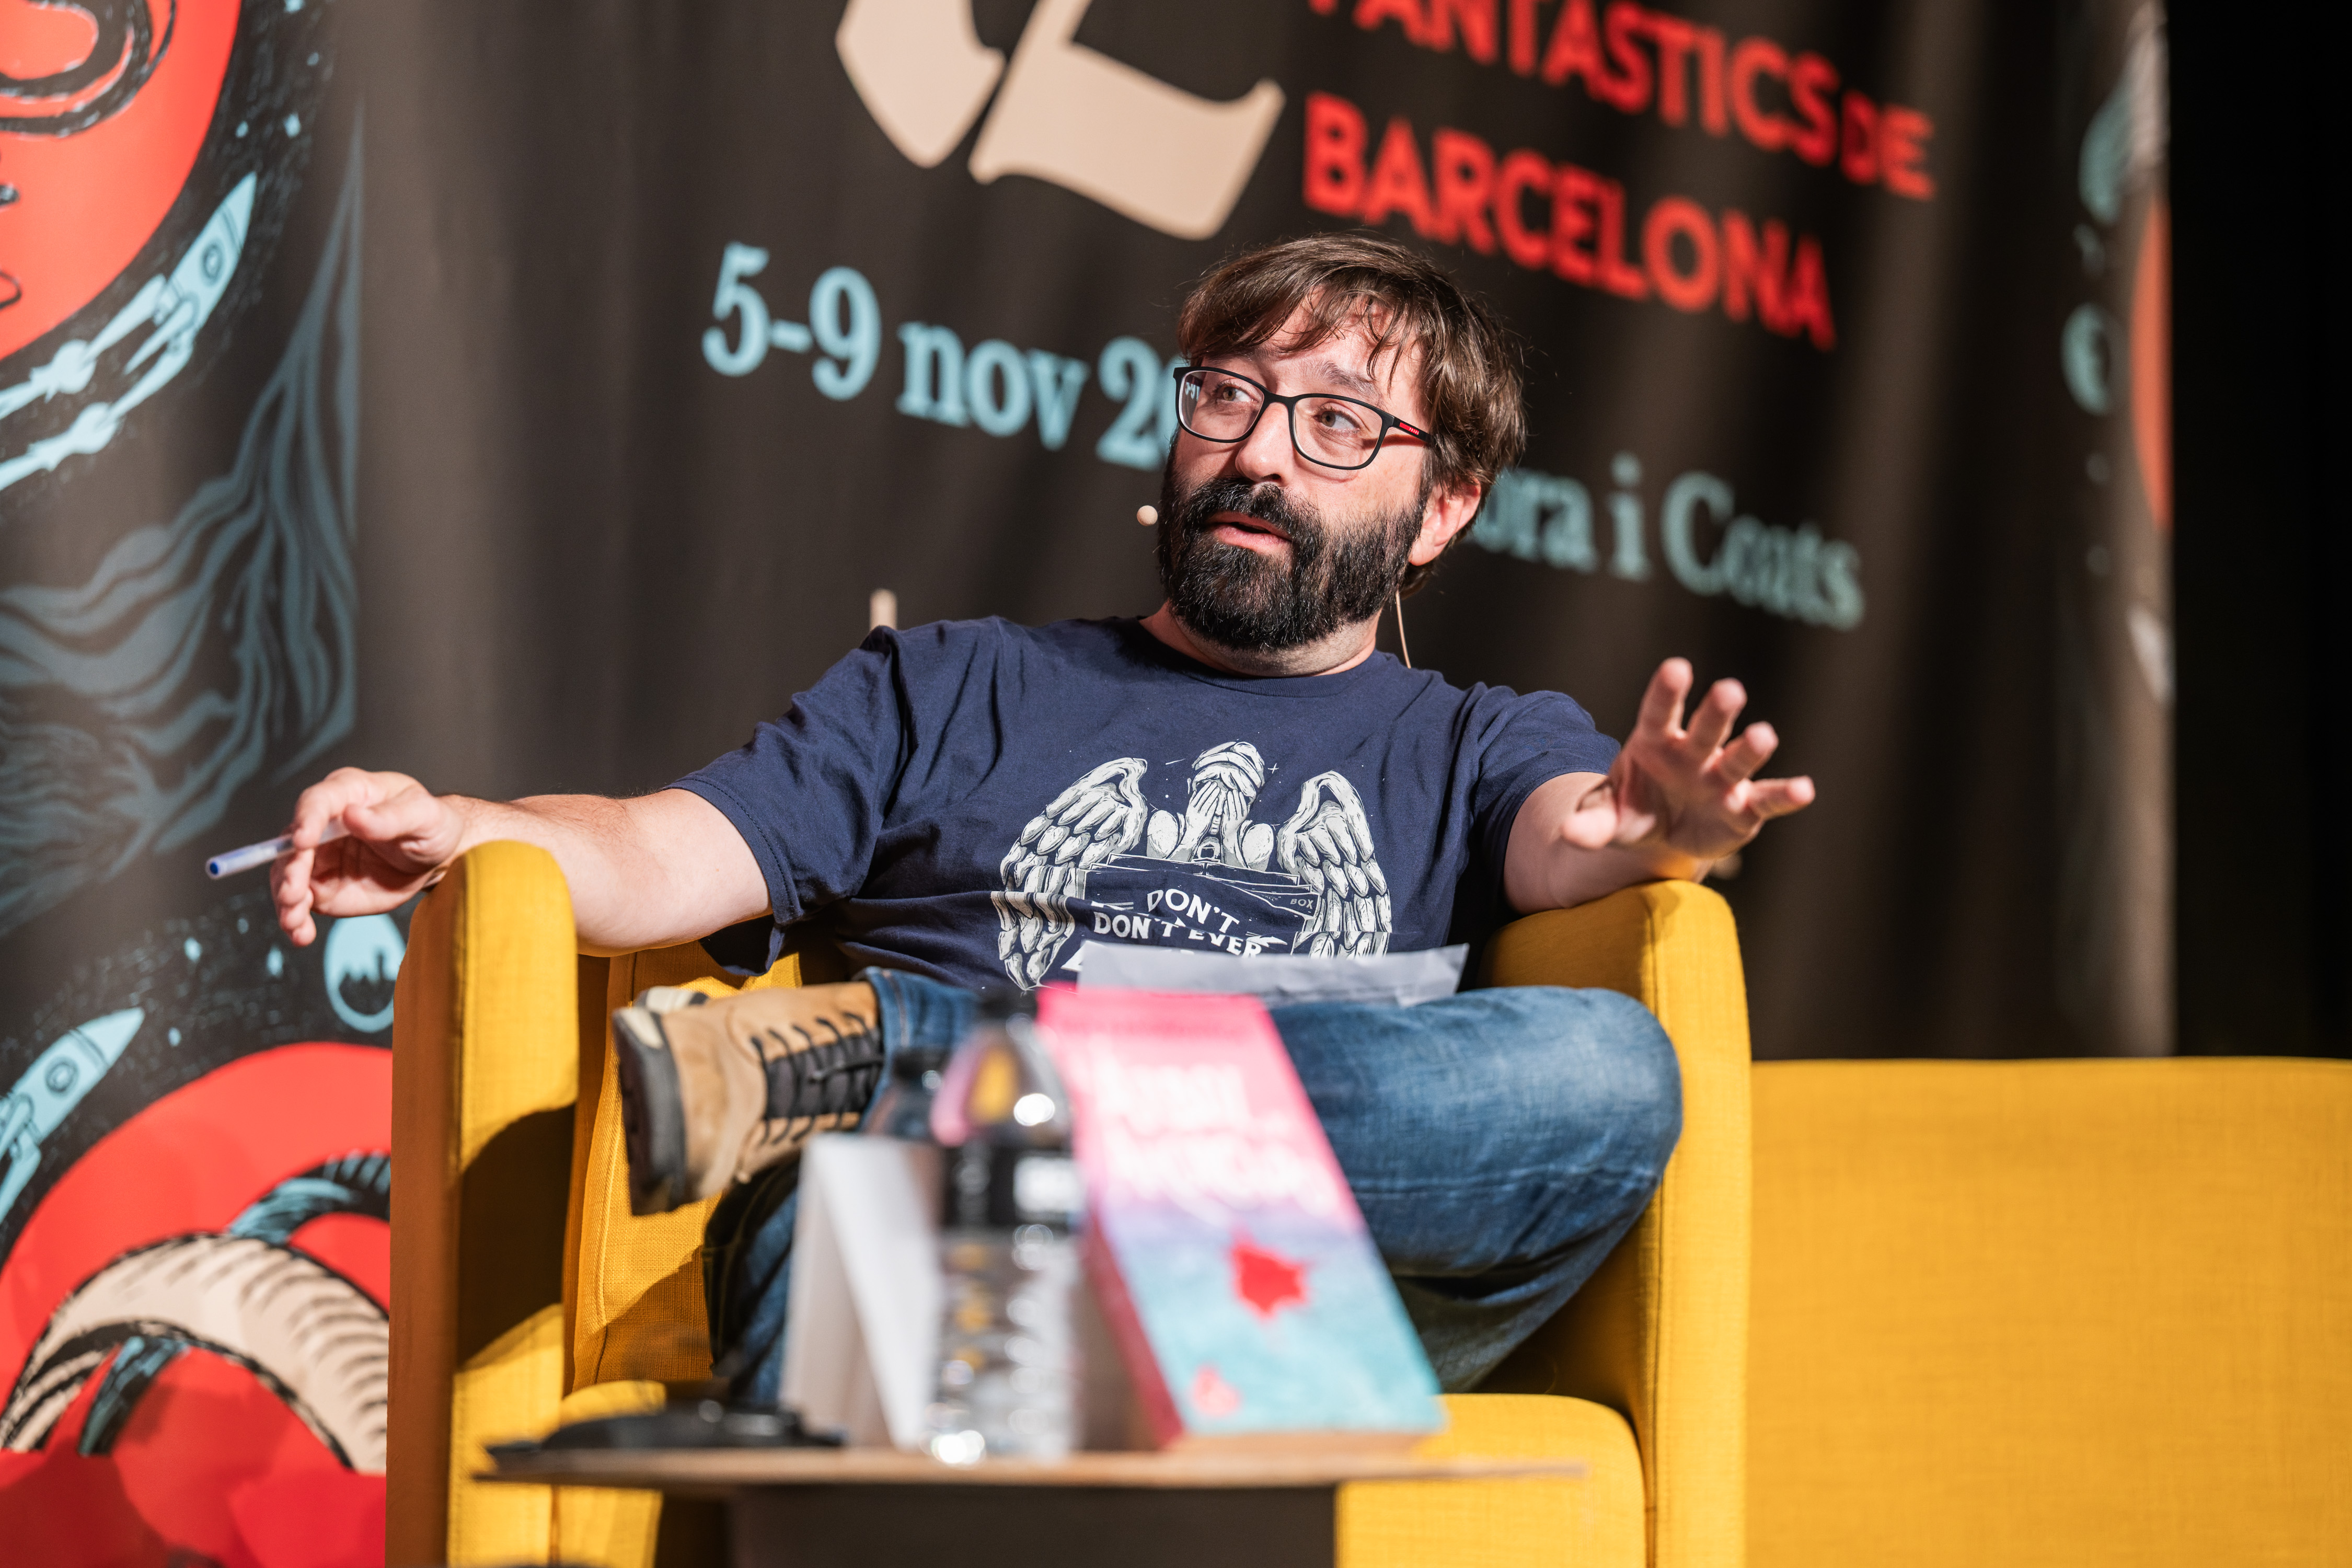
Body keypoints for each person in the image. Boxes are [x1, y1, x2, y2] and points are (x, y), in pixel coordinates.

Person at [271, 232, 1813, 1410]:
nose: (1258, 454)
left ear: (1444, 506)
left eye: (1339, 424)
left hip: (1293, 1285)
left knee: (1610, 1071)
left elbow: (1576, 837)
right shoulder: (953, 686)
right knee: (866, 1237)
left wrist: (1659, 830)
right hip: (955, 1245)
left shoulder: (1473, 742)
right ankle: (956, 1142)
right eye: (1229, 396)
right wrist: (468, 824)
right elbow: (665, 845)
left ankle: (914, 1057)